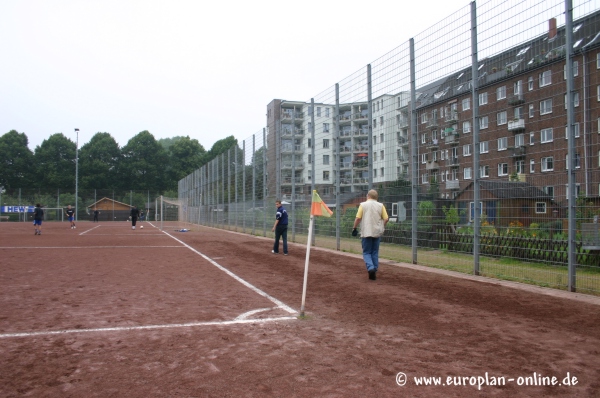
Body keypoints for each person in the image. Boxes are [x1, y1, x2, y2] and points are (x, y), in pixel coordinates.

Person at [352, 189, 389, 281]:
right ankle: (374, 269)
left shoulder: (363, 205)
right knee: (375, 252)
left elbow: (358, 218)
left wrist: (354, 228)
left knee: (366, 252)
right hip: (377, 232)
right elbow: (386, 218)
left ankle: (370, 268)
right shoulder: (381, 206)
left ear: (368, 196)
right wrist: (381, 226)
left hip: (367, 232)